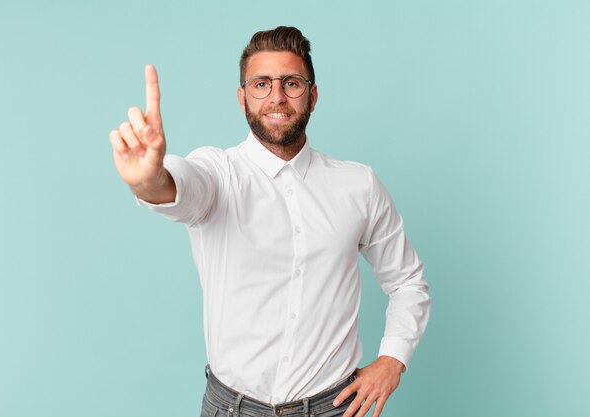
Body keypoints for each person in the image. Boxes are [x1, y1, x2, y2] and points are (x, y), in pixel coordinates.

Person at [109, 26, 430, 417]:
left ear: (313, 95)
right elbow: (181, 186)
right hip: (230, 408)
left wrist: (393, 361)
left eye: (291, 83)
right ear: (242, 97)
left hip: (334, 407)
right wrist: (150, 179)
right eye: (262, 84)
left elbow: (408, 282)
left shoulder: (358, 185)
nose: (277, 96)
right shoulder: (219, 173)